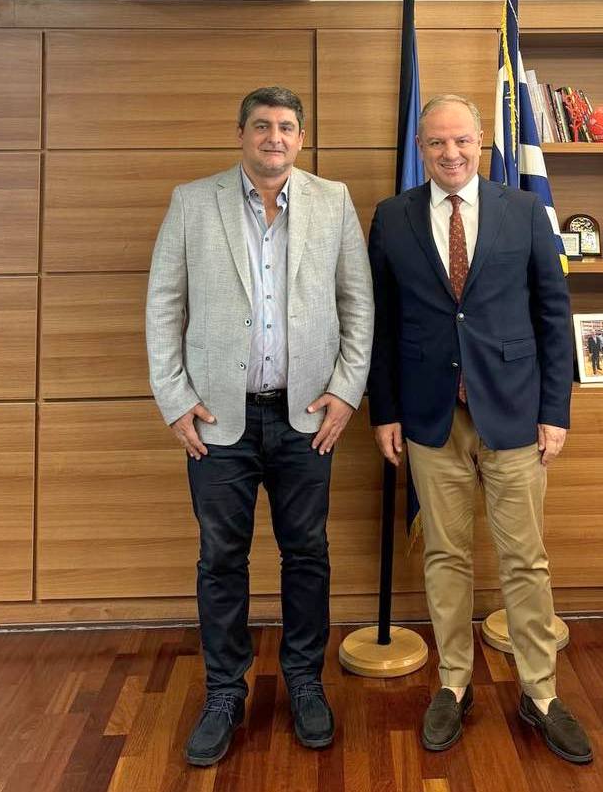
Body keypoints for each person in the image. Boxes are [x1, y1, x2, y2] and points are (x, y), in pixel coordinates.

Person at [145, 86, 373, 767]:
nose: (275, 136)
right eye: (263, 125)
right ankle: (224, 692)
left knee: (307, 553)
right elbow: (164, 305)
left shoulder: (333, 201)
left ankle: (305, 681)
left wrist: (346, 392)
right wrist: (174, 399)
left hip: (308, 418)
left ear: (301, 137)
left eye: (287, 126)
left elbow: (358, 304)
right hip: (218, 419)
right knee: (221, 558)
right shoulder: (193, 202)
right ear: (241, 133)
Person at [367, 94, 592, 765]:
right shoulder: (392, 217)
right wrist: (385, 410)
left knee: (525, 559)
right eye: (437, 142)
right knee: (445, 556)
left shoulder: (522, 211)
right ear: (421, 148)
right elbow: (382, 323)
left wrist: (556, 409)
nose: (451, 152)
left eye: (462, 140)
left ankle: (540, 693)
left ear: (482, 142)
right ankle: (455, 685)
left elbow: (553, 314)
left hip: (515, 413)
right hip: (429, 416)